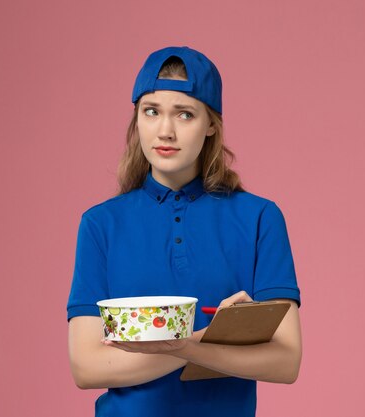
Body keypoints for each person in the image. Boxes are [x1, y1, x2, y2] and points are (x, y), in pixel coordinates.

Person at [67, 46, 302, 417]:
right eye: (152, 111)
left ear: (211, 124)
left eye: (185, 114)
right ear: (137, 120)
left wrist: (185, 346)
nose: (166, 130)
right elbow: (87, 367)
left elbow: (285, 361)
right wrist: (212, 339)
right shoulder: (100, 225)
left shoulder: (260, 218)